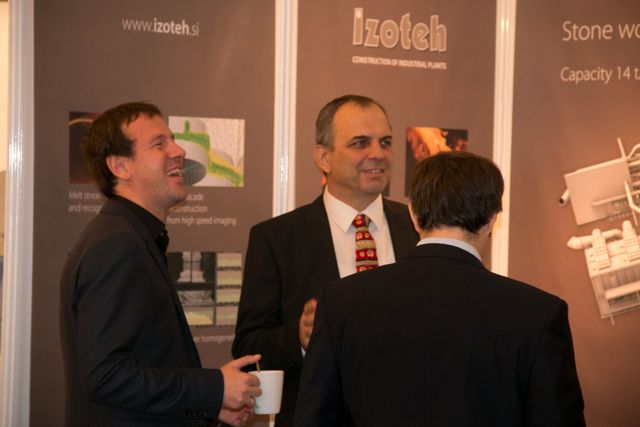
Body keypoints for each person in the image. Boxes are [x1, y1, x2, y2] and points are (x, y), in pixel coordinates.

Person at [294, 151, 586, 426]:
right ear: (492, 219)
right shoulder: (537, 314)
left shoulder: (340, 302)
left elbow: (314, 419)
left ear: (413, 214)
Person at [59, 102, 262, 426]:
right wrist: (213, 389)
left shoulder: (131, 237)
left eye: (173, 140)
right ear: (120, 167)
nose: (179, 151)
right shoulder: (118, 244)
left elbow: (144, 364)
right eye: (159, 144)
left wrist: (210, 405)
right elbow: (105, 375)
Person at [232, 95, 419, 426]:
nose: (378, 153)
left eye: (385, 142)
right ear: (323, 157)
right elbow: (249, 346)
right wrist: (299, 337)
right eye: (360, 143)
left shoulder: (421, 228)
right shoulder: (276, 239)